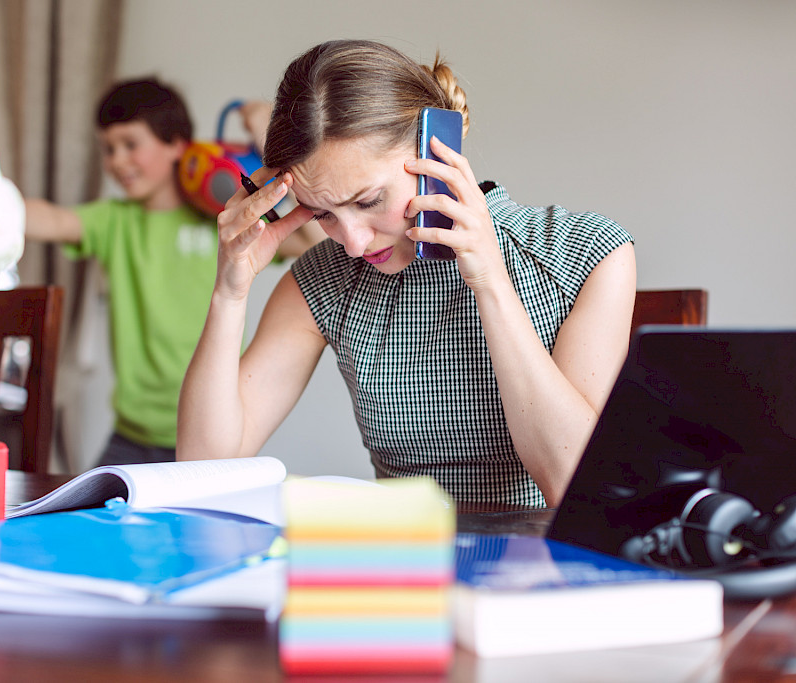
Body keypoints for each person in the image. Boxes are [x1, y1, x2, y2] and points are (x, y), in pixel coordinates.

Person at [177, 40, 636, 507]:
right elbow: (202, 465)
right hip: (401, 564)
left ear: (439, 151)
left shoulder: (585, 251)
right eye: (322, 215)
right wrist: (229, 293)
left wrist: (490, 284)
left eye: (369, 201)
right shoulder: (323, 279)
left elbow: (572, 486)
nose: (353, 242)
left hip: (547, 565)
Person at [26, 78, 322, 467]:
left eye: (130, 145)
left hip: (211, 435)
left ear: (177, 145)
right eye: (109, 149)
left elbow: (316, 242)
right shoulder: (114, 221)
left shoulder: (224, 221)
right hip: (130, 437)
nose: (116, 160)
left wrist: (273, 139)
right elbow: (51, 219)